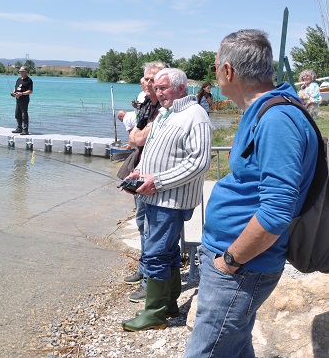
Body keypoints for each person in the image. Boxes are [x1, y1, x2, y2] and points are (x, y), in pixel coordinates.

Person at [183, 30, 318, 357]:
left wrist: (229, 261)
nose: (215, 73)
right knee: (236, 348)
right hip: (236, 262)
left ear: (228, 71)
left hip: (241, 267)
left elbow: (276, 212)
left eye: (215, 66)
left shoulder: (277, 120)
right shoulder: (264, 111)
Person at [121, 67, 212, 332]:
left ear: (181, 88)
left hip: (170, 200)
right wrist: (139, 172)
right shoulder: (166, 113)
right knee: (169, 252)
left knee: (156, 254)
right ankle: (169, 305)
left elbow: (199, 162)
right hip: (156, 197)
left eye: (163, 88)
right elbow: (153, 150)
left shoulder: (196, 115)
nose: (157, 92)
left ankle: (154, 314)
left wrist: (157, 181)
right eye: (156, 88)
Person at [121, 61, 165, 303]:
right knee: (141, 222)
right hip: (140, 170)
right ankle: (143, 268)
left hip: (155, 176)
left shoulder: (164, 108)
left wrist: (135, 134)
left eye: (152, 79)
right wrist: (136, 135)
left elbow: (138, 138)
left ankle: (150, 281)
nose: (148, 83)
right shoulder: (148, 104)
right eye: (146, 79)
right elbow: (135, 137)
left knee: (152, 227)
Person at [12, 66, 33, 135]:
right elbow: (16, 88)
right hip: (18, 99)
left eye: (22, 71)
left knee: (24, 114)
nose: (21, 73)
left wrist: (22, 93)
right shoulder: (18, 79)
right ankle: (19, 128)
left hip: (24, 99)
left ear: (26, 72)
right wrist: (14, 93)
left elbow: (30, 91)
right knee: (17, 114)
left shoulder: (29, 80)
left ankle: (25, 130)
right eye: (20, 71)